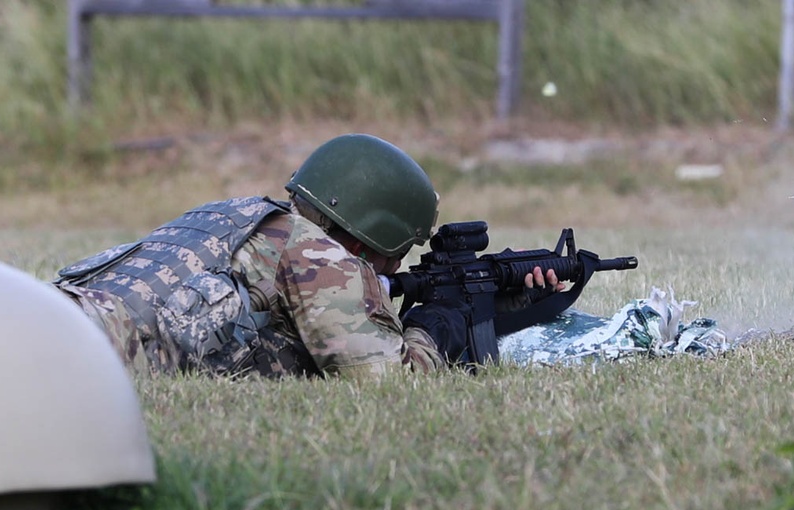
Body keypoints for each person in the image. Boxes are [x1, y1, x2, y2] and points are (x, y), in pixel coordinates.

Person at [53, 133, 560, 379]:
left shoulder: (236, 214)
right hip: (86, 365)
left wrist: (495, 309)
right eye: (395, 255)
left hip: (51, 318)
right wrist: (435, 329)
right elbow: (387, 390)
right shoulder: (322, 257)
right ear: (368, 239)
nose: (394, 272)